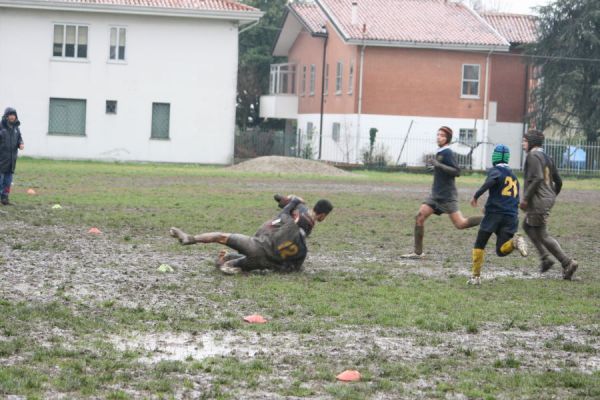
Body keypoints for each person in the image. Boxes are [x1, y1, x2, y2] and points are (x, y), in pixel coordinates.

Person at [169, 195, 333, 274]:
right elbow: (293, 266)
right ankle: (227, 262)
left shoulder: (294, 216)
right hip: (265, 260)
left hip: (257, 243)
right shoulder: (302, 244)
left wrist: (293, 200)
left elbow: (280, 204)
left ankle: (189, 239)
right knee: (240, 263)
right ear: (323, 215)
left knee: (221, 237)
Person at [402, 126, 482, 258]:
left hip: (447, 196)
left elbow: (457, 171)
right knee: (419, 217)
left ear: (447, 139)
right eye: (438, 134)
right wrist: (435, 168)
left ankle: (489, 219)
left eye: (442, 135)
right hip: (435, 196)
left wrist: (438, 165)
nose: (439, 137)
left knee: (460, 224)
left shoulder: (448, 152)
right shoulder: (440, 151)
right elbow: (444, 169)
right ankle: (418, 252)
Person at [520, 130, 578, 280]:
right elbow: (558, 181)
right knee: (527, 226)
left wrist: (526, 198)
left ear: (531, 142)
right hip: (545, 199)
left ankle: (566, 262)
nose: (522, 144)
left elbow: (538, 177)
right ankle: (546, 258)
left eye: (524, 141)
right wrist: (551, 196)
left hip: (538, 200)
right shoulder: (547, 156)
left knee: (542, 235)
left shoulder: (533, 156)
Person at [467, 144, 528, 285]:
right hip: (511, 216)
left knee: (480, 242)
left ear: (495, 156)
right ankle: (515, 242)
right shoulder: (514, 177)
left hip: (495, 214)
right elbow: (512, 199)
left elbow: (491, 181)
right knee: (501, 250)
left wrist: (476, 195)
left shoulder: (496, 171)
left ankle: (476, 277)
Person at [0, 107, 24, 205]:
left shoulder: (16, 128)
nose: (12, 117)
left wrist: (21, 143)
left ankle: (5, 199)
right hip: (1, 159)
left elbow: (19, 138)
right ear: (6, 116)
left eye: (14, 115)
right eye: (10, 115)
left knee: (8, 181)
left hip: (11, 160)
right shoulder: (1, 127)